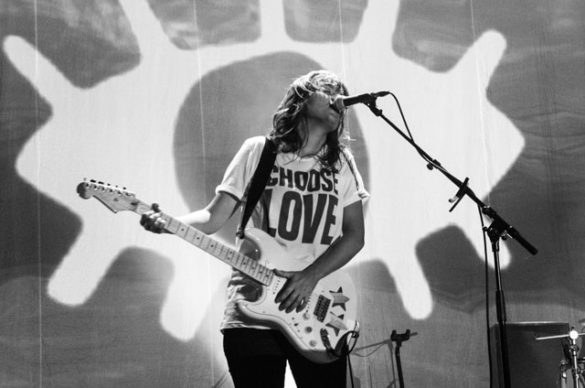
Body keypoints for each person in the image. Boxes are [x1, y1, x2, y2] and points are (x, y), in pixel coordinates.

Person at [141, 70, 369, 387]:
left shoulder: (341, 163)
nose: (339, 97)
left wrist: (310, 277)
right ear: (302, 98)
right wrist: (169, 223)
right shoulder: (259, 152)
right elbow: (212, 217)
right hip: (251, 310)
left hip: (318, 308)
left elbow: (355, 236)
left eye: (342, 93)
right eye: (328, 89)